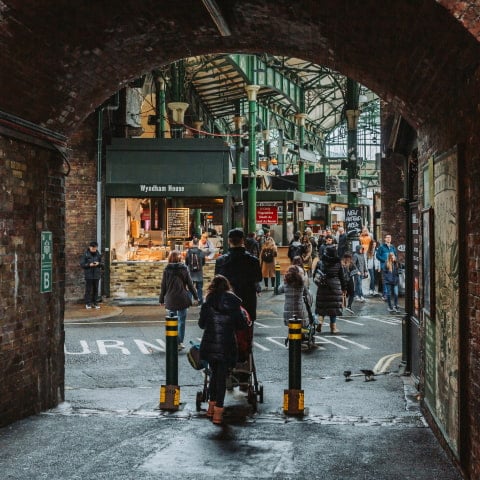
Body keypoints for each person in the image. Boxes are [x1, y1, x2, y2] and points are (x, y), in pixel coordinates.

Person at [198, 275, 248, 425]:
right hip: (227, 344)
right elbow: (241, 325)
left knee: (214, 375)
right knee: (221, 377)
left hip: (211, 344)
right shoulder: (234, 304)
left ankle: (211, 407)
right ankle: (218, 412)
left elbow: (201, 324)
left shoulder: (208, 303)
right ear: (227, 287)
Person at [215, 228, 262, 323]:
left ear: (229, 241)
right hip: (248, 300)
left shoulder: (221, 261)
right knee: (247, 330)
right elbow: (258, 278)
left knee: (229, 331)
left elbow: (217, 281)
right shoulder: (253, 261)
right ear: (242, 240)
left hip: (228, 301)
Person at [159, 250, 198, 351]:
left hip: (170, 299)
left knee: (172, 321)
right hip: (182, 298)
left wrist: (161, 299)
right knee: (181, 321)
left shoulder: (166, 270)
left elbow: (163, 286)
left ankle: (174, 342)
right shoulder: (184, 269)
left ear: (170, 259)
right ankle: (179, 342)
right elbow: (190, 285)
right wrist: (196, 296)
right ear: (180, 259)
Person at [313, 245, 347, 334]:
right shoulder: (338, 263)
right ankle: (333, 328)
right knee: (333, 308)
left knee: (322, 307)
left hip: (323, 287)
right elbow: (342, 277)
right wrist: (344, 288)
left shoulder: (321, 263)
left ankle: (320, 323)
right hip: (335, 287)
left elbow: (315, 275)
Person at [79, 240, 104, 309]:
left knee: (96, 289)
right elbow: (82, 264)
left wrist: (99, 264)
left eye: (95, 248)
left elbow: (102, 264)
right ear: (89, 247)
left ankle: (95, 303)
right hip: (89, 275)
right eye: (93, 248)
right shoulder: (86, 254)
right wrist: (89, 265)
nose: (94, 249)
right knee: (88, 290)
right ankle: (88, 303)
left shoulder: (98, 254)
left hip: (96, 275)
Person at [376, 234, 398, 300]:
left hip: (392, 267)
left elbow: (395, 255)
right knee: (385, 280)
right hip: (384, 266)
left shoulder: (392, 247)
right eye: (387, 237)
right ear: (385, 239)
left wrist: (394, 259)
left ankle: (389, 294)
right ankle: (385, 295)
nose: (388, 239)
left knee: (391, 280)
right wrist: (384, 260)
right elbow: (377, 255)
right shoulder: (381, 247)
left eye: (390, 237)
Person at [185, 237, 206, 304]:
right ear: (198, 243)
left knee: (190, 288)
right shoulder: (201, 252)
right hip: (199, 273)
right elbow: (203, 263)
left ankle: (189, 301)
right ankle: (200, 301)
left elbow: (186, 263)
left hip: (190, 273)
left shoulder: (188, 252)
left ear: (192, 243)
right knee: (199, 288)